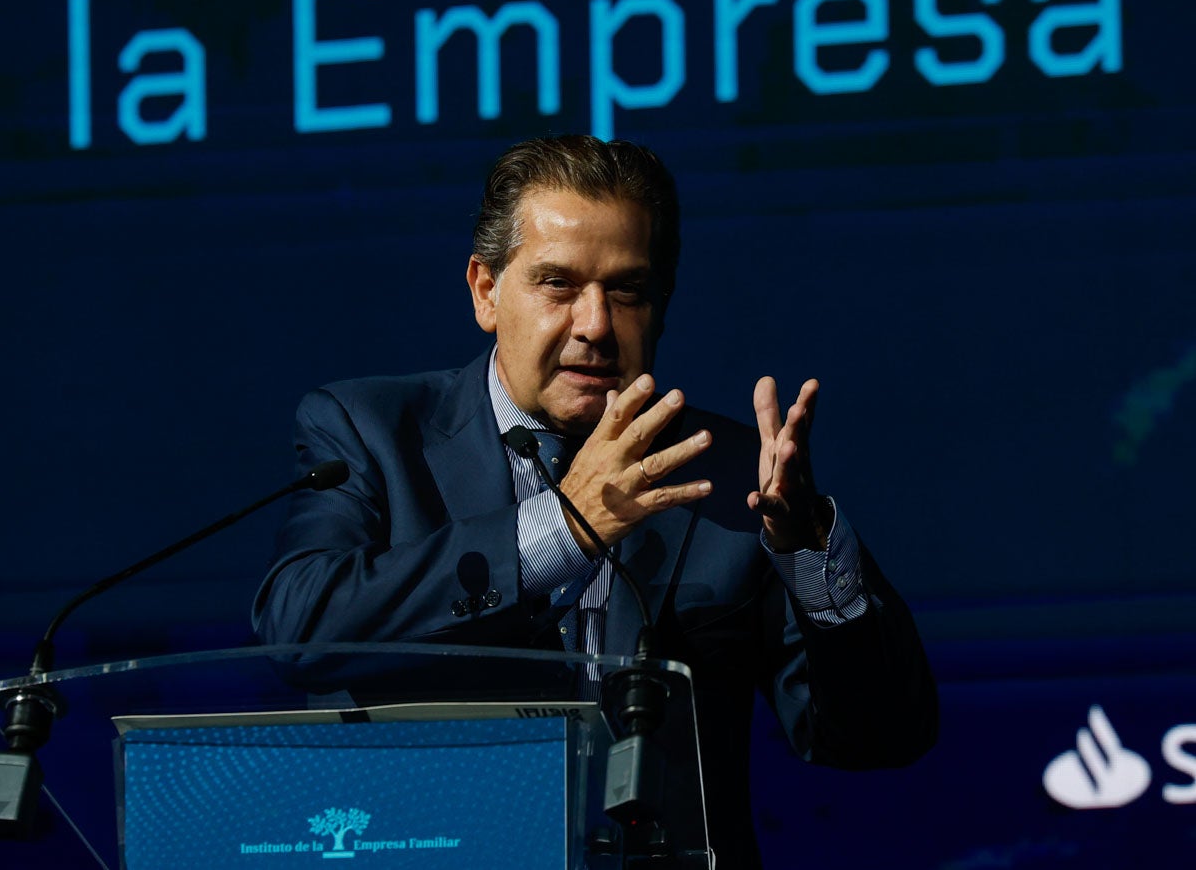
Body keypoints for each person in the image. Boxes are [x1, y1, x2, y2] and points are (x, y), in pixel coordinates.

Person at [253, 135, 937, 867]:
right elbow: (302, 628)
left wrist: (809, 554)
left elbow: (879, 737)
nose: (595, 326)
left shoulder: (735, 474)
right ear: (486, 291)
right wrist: (561, 529)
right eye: (557, 284)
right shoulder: (374, 431)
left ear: (661, 306)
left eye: (626, 291)